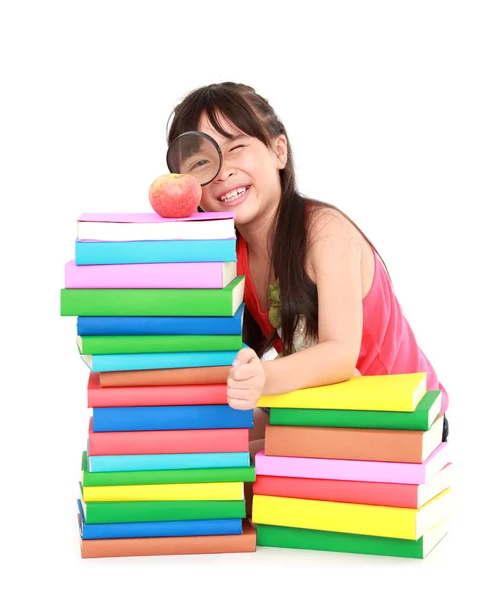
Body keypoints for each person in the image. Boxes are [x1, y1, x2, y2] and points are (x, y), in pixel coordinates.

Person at [166, 82, 449, 478]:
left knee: (233, 468)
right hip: (327, 407)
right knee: (198, 447)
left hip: (404, 418)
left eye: (236, 147)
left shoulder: (323, 232)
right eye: (201, 162)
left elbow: (339, 354)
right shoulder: (233, 257)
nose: (222, 171)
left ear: (279, 151)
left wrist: (261, 380)